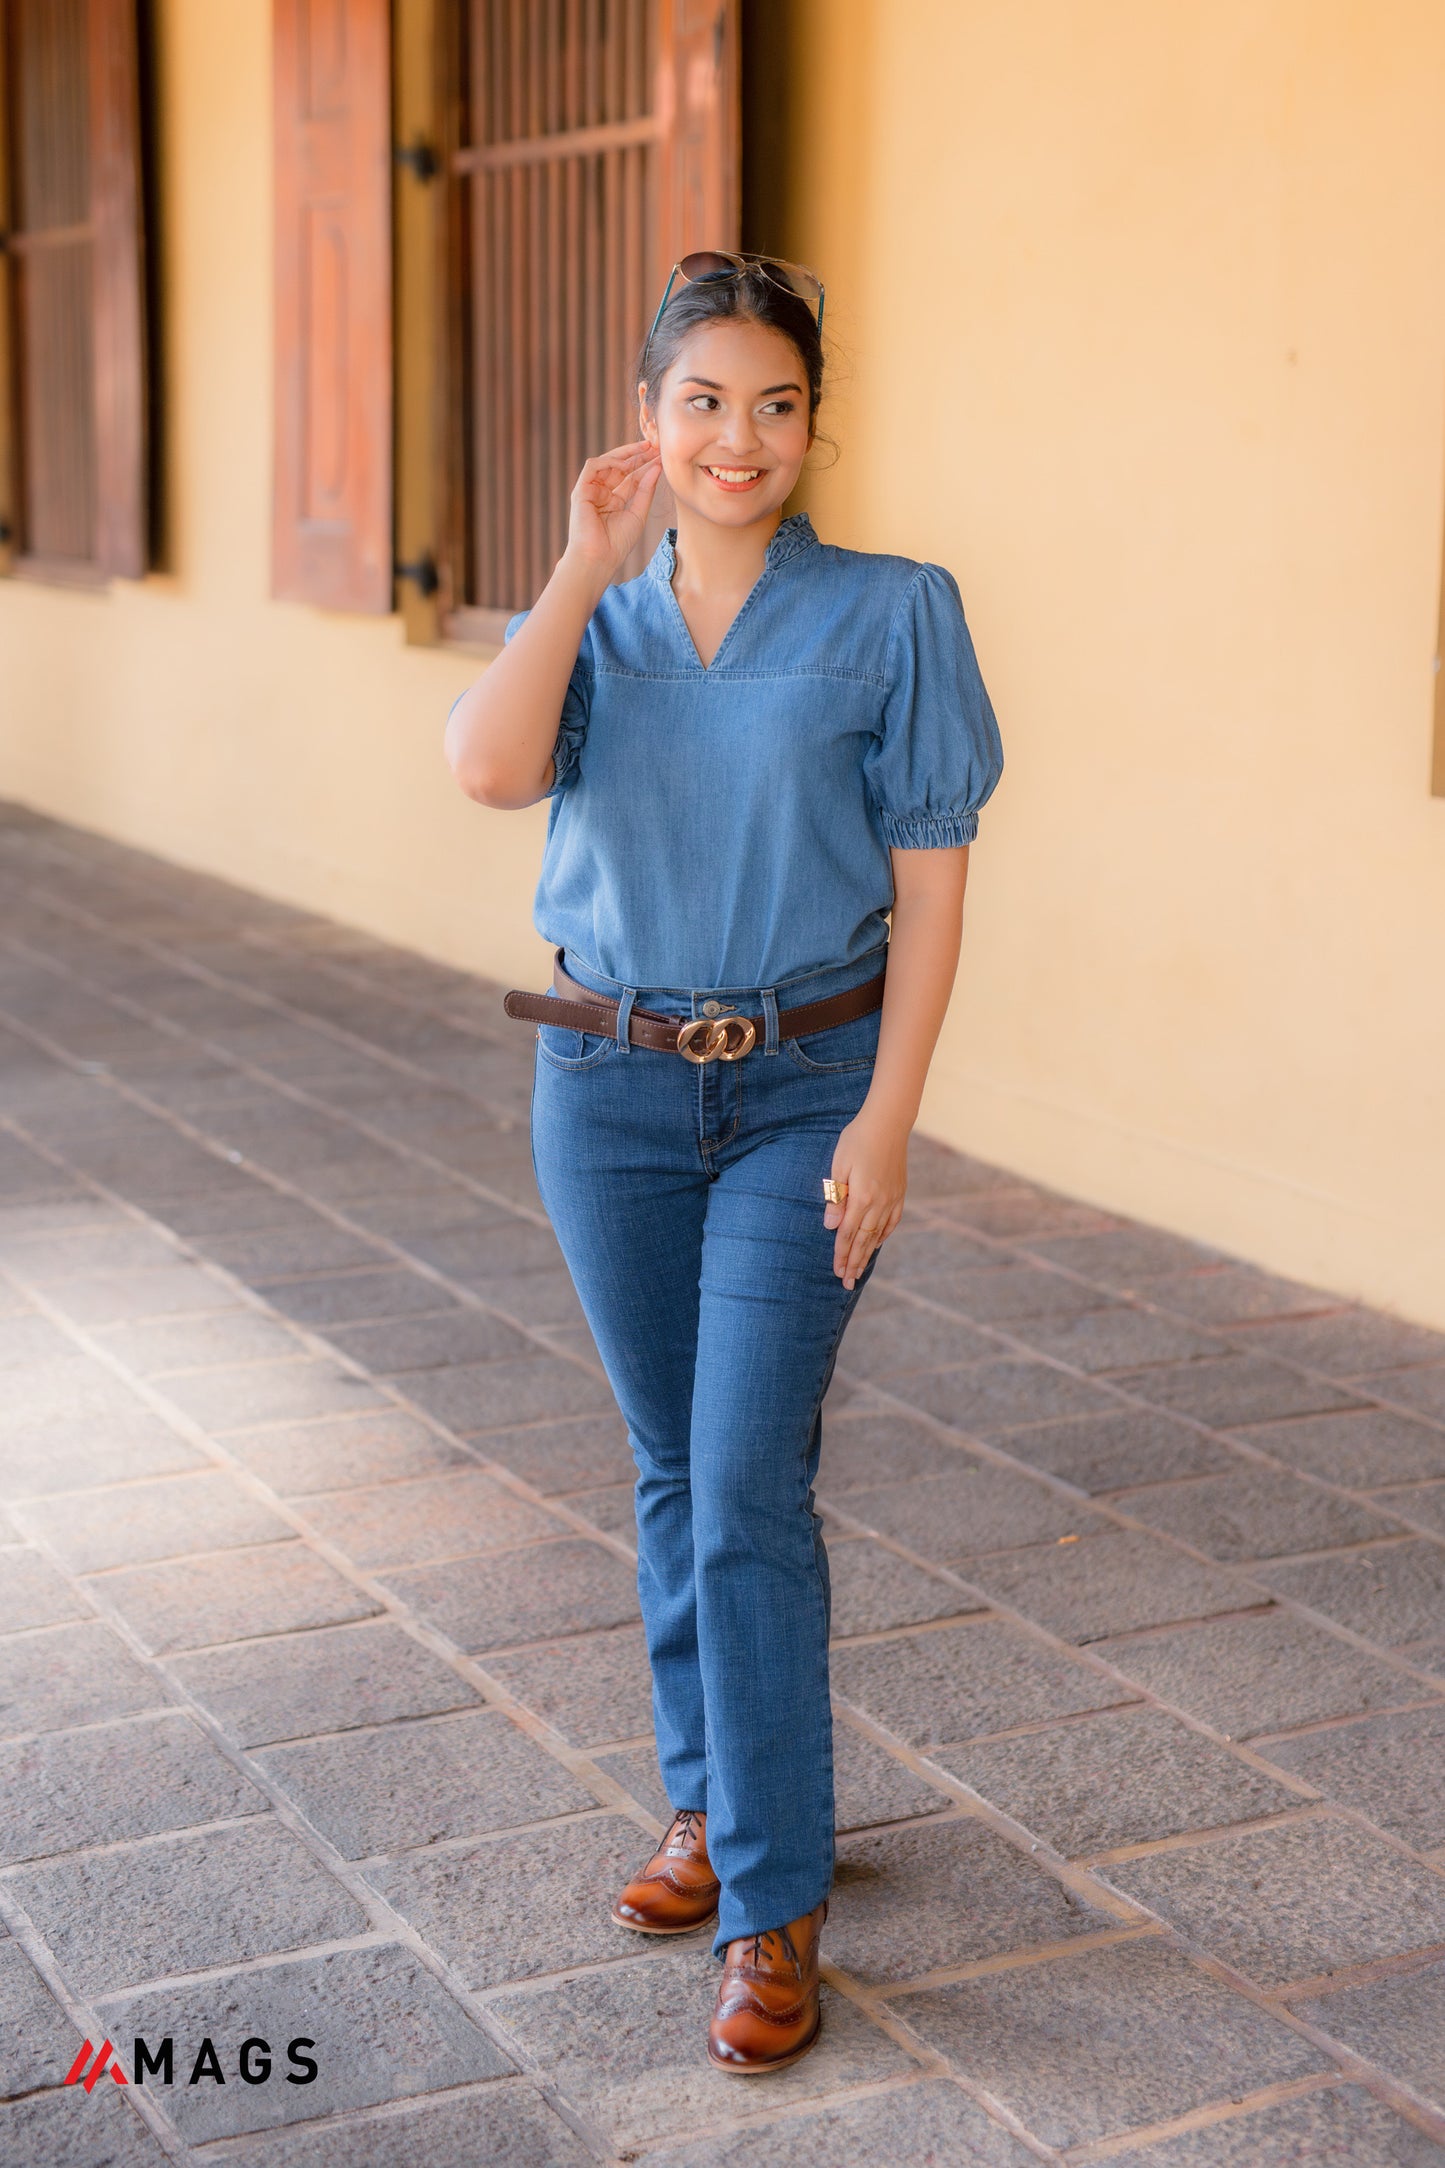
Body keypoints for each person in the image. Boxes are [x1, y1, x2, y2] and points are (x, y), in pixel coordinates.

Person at [444, 250, 1003, 2074]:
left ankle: (769, 1906)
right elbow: (484, 768)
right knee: (674, 1462)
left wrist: (884, 1118)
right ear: (649, 422)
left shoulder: (895, 612)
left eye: (773, 403)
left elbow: (930, 881)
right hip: (605, 1092)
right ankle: (708, 1801)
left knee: (747, 1477)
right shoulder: (594, 621)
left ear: (814, 421)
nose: (738, 437)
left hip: (800, 1092)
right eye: (702, 401)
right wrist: (574, 570)